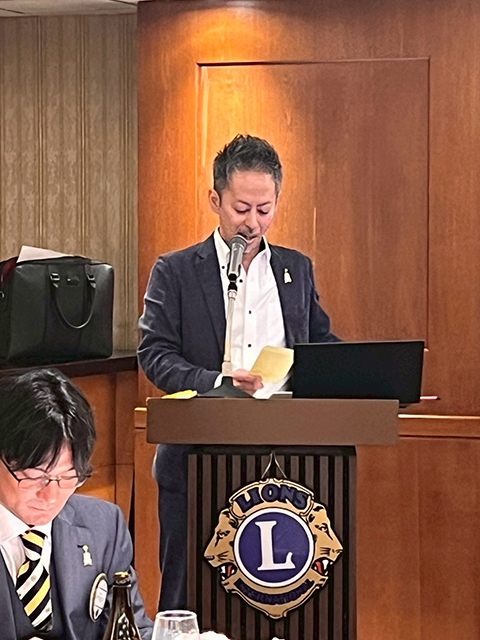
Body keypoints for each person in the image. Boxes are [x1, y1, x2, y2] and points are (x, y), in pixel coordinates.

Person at [138, 134, 338, 610]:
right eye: (241, 208)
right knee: (188, 593)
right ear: (216, 200)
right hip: (196, 456)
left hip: (288, 458)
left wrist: (366, 376)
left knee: (284, 595)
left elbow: (320, 346)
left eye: (264, 210)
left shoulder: (296, 269)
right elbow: (155, 354)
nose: (252, 223)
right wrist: (217, 383)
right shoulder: (176, 271)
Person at [0, 368, 153, 640]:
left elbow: (131, 630)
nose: (51, 496)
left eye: (68, 478)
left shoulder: (103, 526)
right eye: (35, 477)